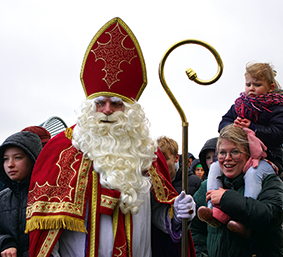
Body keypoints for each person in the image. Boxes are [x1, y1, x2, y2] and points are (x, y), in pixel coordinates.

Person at [25, 17, 196, 257]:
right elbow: (47, 231)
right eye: (100, 103)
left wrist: (176, 214)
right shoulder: (62, 149)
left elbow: (158, 216)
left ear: (131, 110)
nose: (106, 110)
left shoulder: (147, 153)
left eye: (116, 103)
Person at [191, 124, 283, 257]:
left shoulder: (268, 182)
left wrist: (226, 198)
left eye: (235, 152)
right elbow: (195, 228)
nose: (227, 158)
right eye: (222, 153)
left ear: (248, 154)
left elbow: (271, 216)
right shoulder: (207, 186)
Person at [207, 62, 283, 211]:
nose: (251, 88)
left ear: (270, 87)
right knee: (215, 167)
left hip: (268, 158)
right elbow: (223, 123)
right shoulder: (240, 105)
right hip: (242, 157)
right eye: (248, 84)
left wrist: (253, 128)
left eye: (257, 84)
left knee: (253, 173)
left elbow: (278, 134)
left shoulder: (276, 107)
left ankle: (245, 213)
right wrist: (233, 126)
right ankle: (212, 209)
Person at [0, 131, 42, 257]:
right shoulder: (2, 198)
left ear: (33, 158)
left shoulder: (48, 195)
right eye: (5, 159)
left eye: (17, 157)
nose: (10, 165)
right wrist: (6, 243)